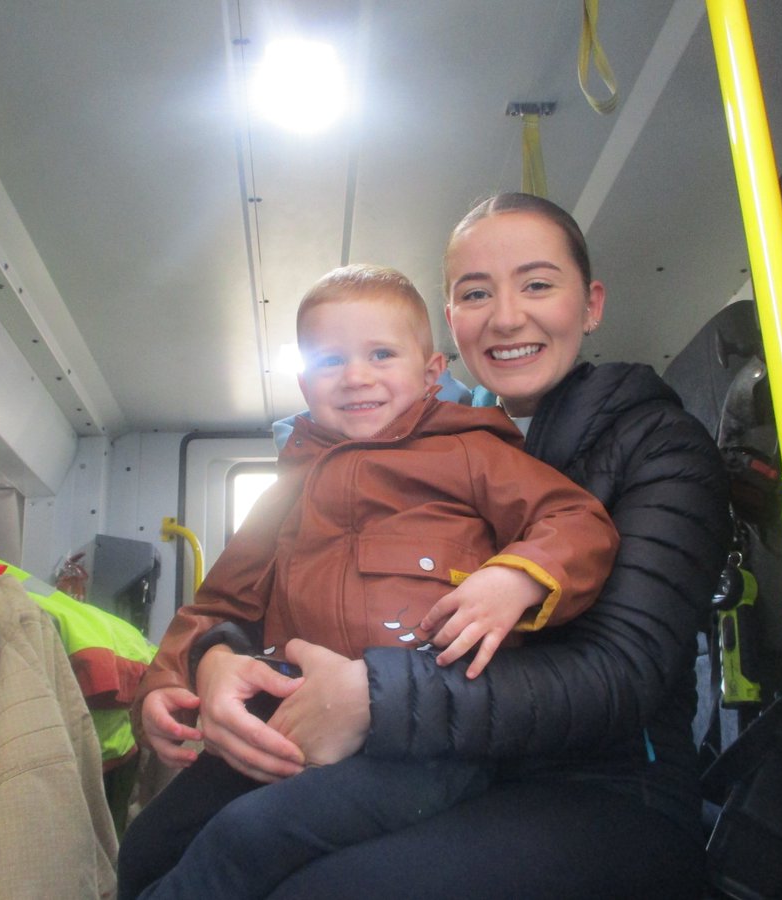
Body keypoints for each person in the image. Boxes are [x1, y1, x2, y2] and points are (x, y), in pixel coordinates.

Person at [119, 263, 620, 899]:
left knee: (244, 840)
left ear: (431, 373)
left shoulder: (473, 453)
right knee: (149, 844)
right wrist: (166, 686)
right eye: (331, 360)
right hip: (290, 722)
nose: (356, 376)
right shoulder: (287, 489)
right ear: (304, 382)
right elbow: (219, 603)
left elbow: (576, 521)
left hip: (425, 744)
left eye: (381, 354)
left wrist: (518, 578)